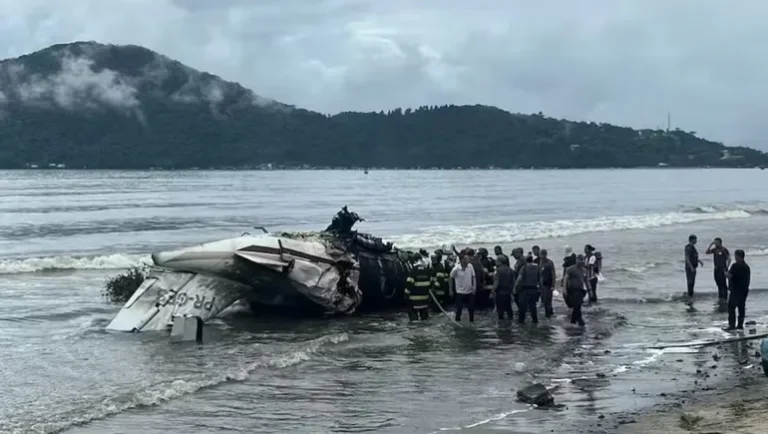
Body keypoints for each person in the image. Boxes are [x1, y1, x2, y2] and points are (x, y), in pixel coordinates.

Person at [725, 249, 751, 331]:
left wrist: (725, 273)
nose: (735, 257)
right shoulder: (746, 267)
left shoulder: (735, 265)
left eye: (735, 255)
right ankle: (740, 325)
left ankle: (732, 325)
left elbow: (730, 276)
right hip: (744, 290)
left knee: (731, 307)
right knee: (741, 307)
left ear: (738, 256)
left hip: (736, 290)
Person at [514, 255, 541, 324]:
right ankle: (535, 321)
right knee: (533, 306)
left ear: (526, 260)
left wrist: (515, 287)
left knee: (522, 307)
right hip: (534, 289)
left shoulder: (524, 268)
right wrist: (540, 288)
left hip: (525, 290)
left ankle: (521, 322)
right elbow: (540, 279)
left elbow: (519, 278)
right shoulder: (537, 267)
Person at [450, 254, 476, 322]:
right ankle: (457, 322)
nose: (469, 260)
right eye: (467, 259)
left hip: (469, 292)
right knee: (459, 309)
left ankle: (471, 322)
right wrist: (450, 290)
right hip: (460, 292)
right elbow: (450, 278)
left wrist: (474, 287)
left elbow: (473, 276)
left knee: (471, 309)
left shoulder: (470, 266)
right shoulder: (456, 269)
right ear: (462, 260)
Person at [404, 254, 431, 321]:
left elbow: (409, 284)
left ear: (415, 261)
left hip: (413, 300)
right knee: (424, 320)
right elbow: (430, 283)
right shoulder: (426, 270)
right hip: (425, 300)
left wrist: (405, 295)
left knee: (414, 320)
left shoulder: (413, 270)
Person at [564, 254, 588, 326]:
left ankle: (573, 321)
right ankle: (579, 320)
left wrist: (590, 290)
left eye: (581, 260)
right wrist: (564, 289)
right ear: (576, 260)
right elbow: (565, 279)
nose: (580, 261)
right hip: (572, 290)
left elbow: (586, 281)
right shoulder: (570, 269)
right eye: (579, 260)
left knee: (578, 306)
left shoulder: (584, 270)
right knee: (576, 305)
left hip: (580, 290)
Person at [493, 255, 515, 320]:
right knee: (509, 309)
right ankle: (510, 322)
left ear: (500, 261)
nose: (496, 261)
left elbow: (496, 282)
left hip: (500, 293)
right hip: (508, 293)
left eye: (497, 260)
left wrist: (492, 291)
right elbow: (513, 281)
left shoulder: (498, 270)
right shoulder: (510, 270)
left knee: (500, 310)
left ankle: (501, 323)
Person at [538, 249, 557, 318]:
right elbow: (540, 274)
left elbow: (553, 274)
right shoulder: (540, 262)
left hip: (548, 284)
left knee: (547, 301)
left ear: (545, 255)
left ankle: (548, 316)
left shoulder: (549, 263)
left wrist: (553, 285)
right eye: (540, 255)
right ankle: (551, 313)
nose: (541, 256)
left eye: (542, 255)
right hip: (542, 284)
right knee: (545, 300)